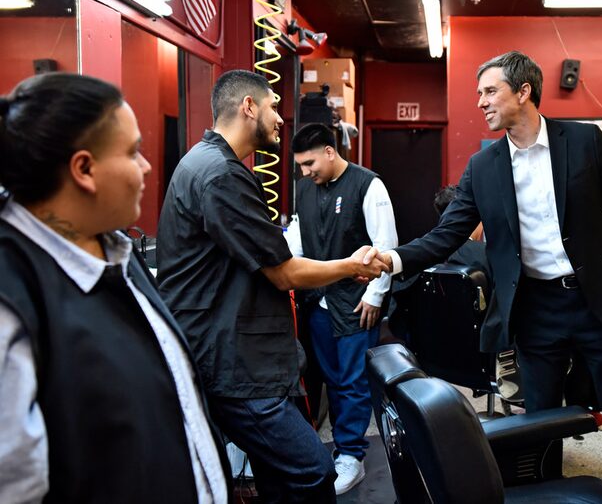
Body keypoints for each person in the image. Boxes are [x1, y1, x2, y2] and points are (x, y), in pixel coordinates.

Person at [377, 51, 602, 497]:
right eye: (478, 93)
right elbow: (446, 236)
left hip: (599, 302)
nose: (480, 102)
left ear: (523, 92)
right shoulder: (483, 167)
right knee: (540, 422)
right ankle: (548, 495)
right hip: (536, 310)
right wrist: (391, 259)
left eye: (489, 91)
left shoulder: (584, 143)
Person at [156, 70, 388, 504]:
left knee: (279, 475)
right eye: (274, 106)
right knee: (312, 470)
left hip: (235, 353)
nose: (281, 118)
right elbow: (282, 271)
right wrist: (350, 265)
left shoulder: (208, 165)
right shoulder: (219, 175)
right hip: (231, 364)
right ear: (248, 107)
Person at [0, 73, 229, 503]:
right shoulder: (13, 294)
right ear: (83, 168)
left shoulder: (114, 251)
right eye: (132, 152)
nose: (145, 167)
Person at [286, 123, 397, 495]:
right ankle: (340, 448)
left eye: (309, 163)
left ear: (330, 152)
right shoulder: (304, 188)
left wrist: (376, 295)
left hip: (355, 302)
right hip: (317, 301)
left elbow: (386, 244)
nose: (305, 172)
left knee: (352, 382)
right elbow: (297, 240)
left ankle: (352, 454)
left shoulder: (368, 184)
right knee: (331, 380)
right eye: (300, 166)